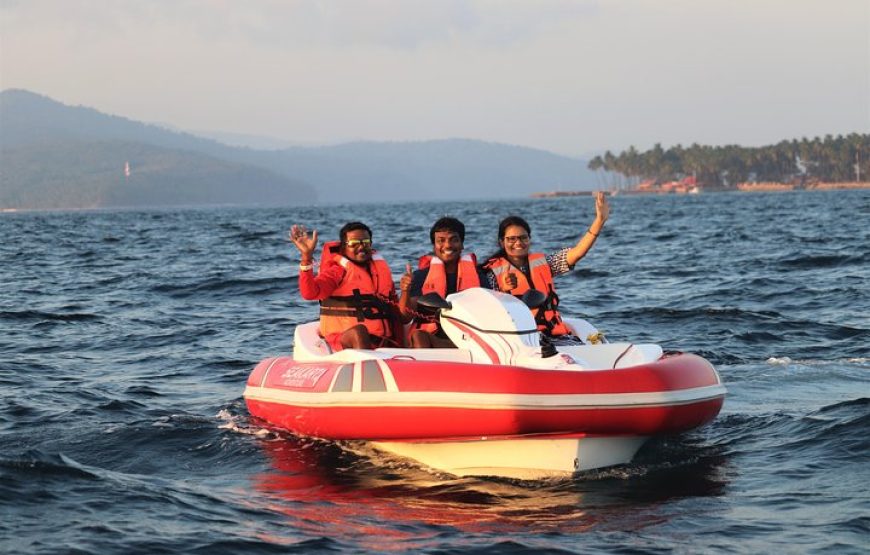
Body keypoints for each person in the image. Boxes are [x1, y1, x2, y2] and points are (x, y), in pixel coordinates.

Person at [482, 191, 610, 345]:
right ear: (502, 242)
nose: (518, 243)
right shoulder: (491, 274)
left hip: (553, 335)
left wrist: (599, 221)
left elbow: (576, 254)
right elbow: (487, 308)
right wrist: (502, 293)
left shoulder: (544, 264)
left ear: (529, 239)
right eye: (511, 239)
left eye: (523, 237)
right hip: (520, 339)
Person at [289, 221, 402, 351]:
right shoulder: (337, 271)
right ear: (344, 247)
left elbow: (396, 310)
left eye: (365, 242)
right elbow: (310, 293)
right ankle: (366, 367)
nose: (361, 247)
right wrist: (306, 257)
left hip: (381, 342)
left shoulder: (379, 271)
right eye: (354, 243)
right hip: (344, 341)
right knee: (359, 332)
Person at [398, 216, 490, 348]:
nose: (447, 245)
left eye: (454, 240)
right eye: (441, 240)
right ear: (434, 245)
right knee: (418, 335)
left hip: (469, 341)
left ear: (462, 244)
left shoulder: (479, 277)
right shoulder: (420, 277)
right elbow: (405, 318)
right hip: (434, 340)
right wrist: (405, 290)